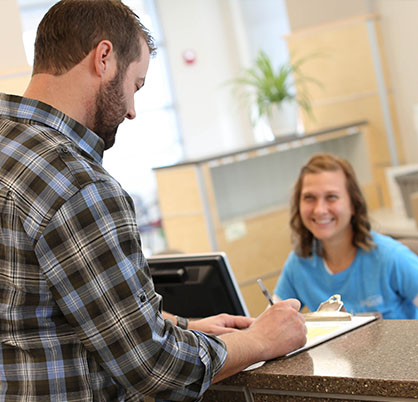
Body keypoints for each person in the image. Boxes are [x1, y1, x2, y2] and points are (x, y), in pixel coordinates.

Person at [0, 1, 306, 401]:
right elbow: (155, 368)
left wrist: (183, 326)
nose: (131, 111)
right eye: (136, 85)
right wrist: (263, 340)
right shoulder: (77, 184)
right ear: (104, 58)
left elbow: (39, 310)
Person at [273, 153, 418, 319]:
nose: (319, 210)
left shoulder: (391, 257)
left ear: (354, 204)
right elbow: (273, 324)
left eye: (331, 197)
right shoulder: (298, 264)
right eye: (309, 198)